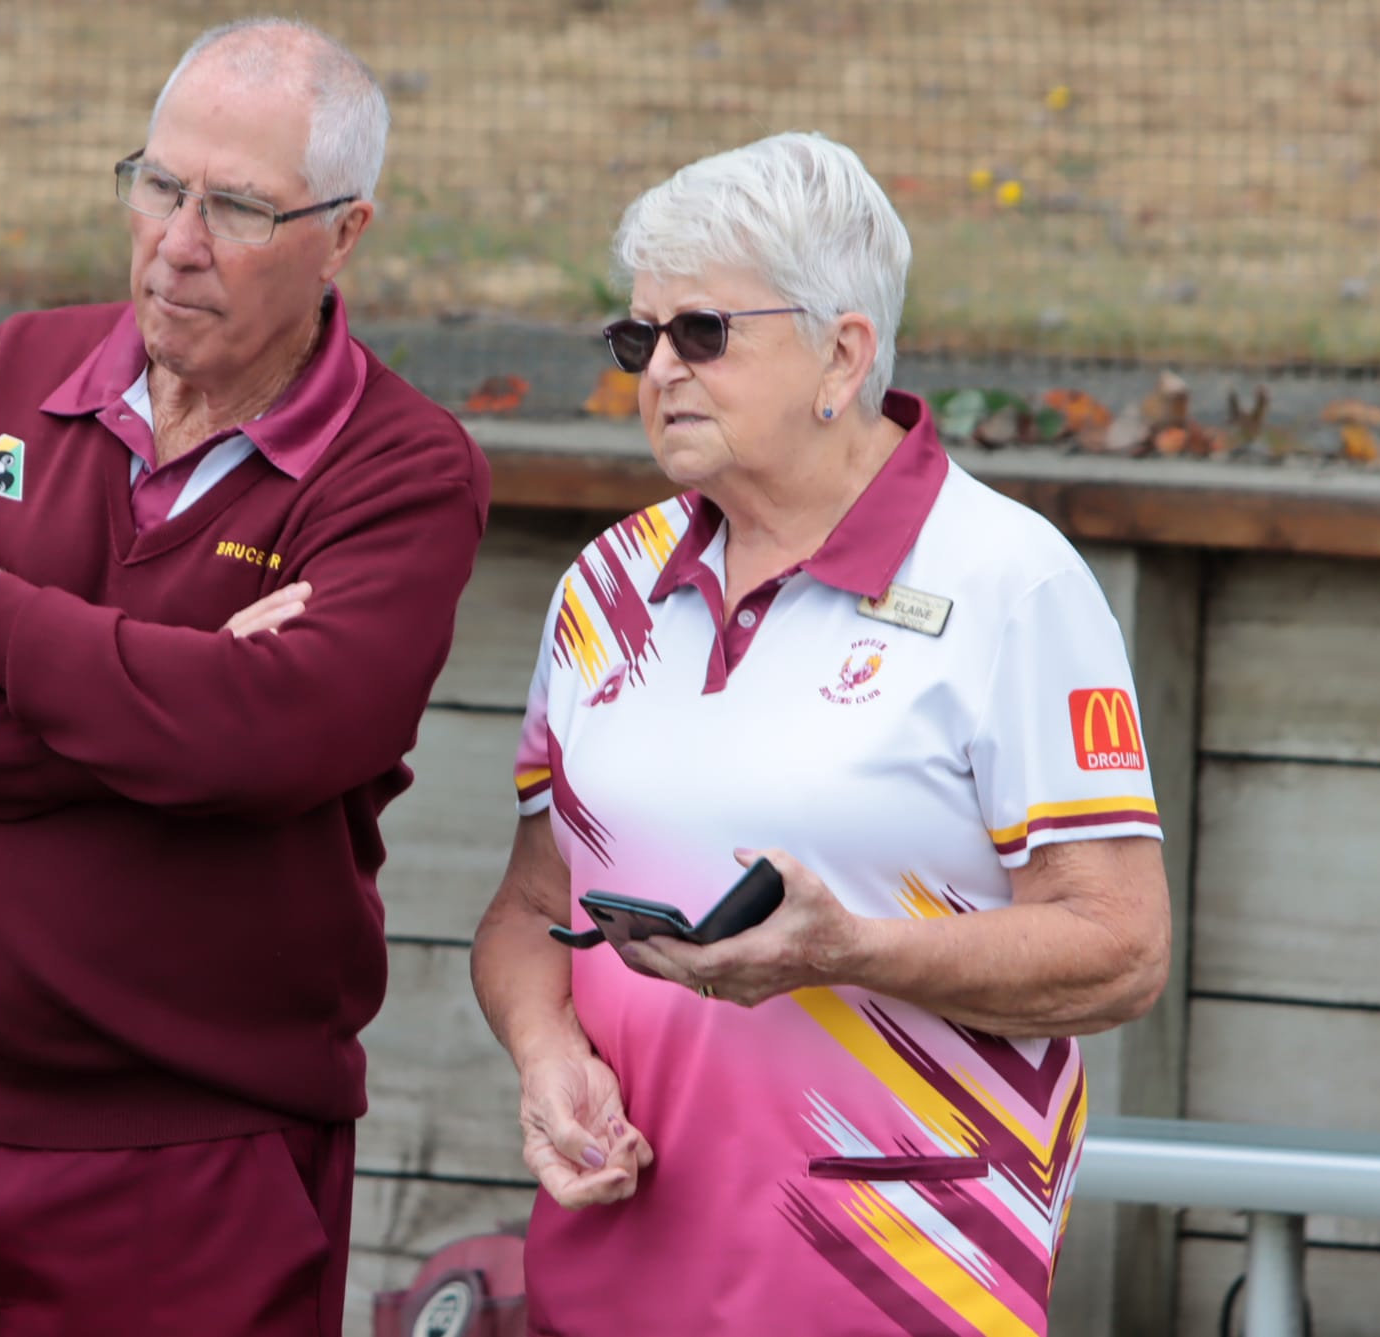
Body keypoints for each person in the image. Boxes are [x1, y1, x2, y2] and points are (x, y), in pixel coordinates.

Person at [0, 18, 490, 1336]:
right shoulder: (13, 368)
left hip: (194, 1161)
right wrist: (168, 718)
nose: (177, 239)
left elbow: (271, 744)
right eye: (160, 184)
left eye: (237, 207)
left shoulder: (405, 470)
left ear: (345, 234)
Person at [470, 131, 1170, 1336]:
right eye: (639, 338)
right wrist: (545, 1056)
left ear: (842, 352)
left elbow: (1118, 949)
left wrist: (844, 947)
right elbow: (531, 906)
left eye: (704, 332)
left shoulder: (1010, 582)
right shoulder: (603, 584)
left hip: (891, 1285)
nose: (659, 372)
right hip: (604, 1279)